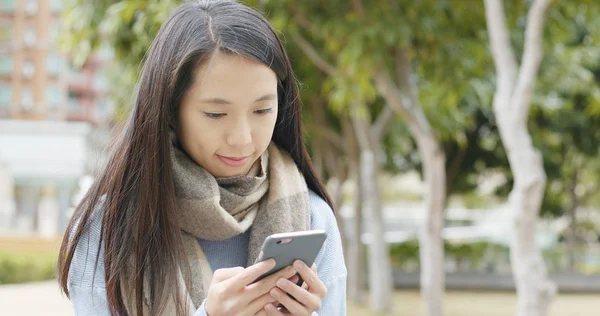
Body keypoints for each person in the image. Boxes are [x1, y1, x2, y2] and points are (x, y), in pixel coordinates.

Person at [57, 0, 347, 315]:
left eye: (262, 110)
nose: (243, 138)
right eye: (215, 113)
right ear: (168, 110)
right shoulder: (108, 228)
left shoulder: (313, 220)